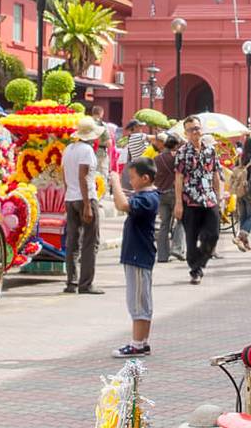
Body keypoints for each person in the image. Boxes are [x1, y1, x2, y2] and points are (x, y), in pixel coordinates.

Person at [109, 157, 159, 358]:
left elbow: (123, 205)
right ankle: (142, 342)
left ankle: (137, 344)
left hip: (138, 256)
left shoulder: (148, 199)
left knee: (138, 302)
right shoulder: (145, 195)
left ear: (145, 178)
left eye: (132, 177)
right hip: (138, 255)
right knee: (141, 300)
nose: (130, 181)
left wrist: (115, 182)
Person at [173, 116, 224, 284]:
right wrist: (178, 203)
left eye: (197, 128)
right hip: (190, 200)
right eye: (191, 129)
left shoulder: (210, 150)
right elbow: (179, 178)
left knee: (213, 234)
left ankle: (200, 262)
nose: (195, 132)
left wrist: (219, 195)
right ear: (186, 133)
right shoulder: (182, 152)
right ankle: (195, 270)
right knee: (191, 238)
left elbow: (216, 174)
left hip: (209, 198)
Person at [62, 117, 104, 295]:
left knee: (72, 241)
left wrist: (69, 195)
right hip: (84, 198)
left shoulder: (68, 149)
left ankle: (71, 282)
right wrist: (87, 204)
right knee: (90, 241)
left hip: (71, 198)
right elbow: (83, 177)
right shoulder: (86, 150)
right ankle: (86, 283)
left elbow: (65, 177)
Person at [153, 132, 185, 262]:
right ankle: (177, 248)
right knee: (181, 221)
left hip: (161, 193)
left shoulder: (157, 158)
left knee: (164, 224)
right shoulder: (178, 157)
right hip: (175, 193)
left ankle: (162, 255)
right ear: (176, 145)